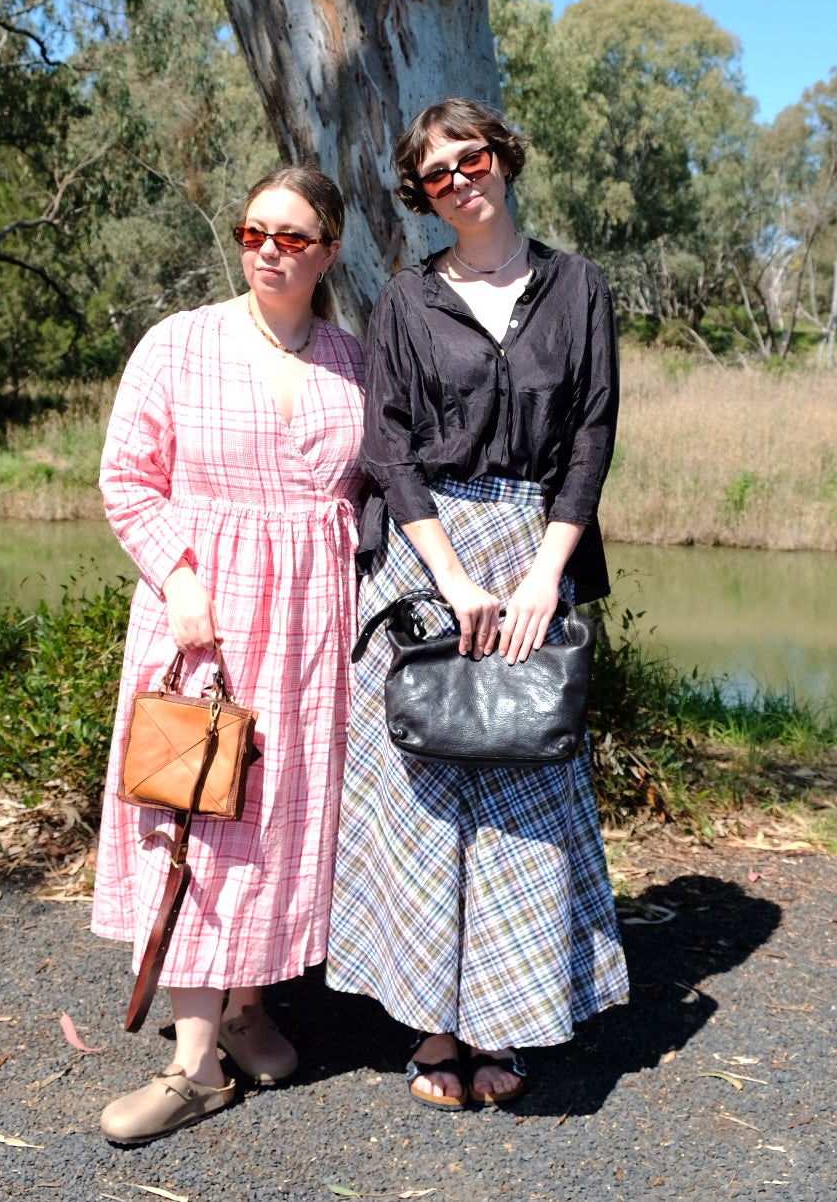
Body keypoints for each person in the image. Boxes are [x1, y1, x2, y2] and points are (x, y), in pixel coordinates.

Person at [327, 98, 629, 1110]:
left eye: (476, 157)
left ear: (507, 156)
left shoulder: (577, 286)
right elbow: (391, 444)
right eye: (440, 173)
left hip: (537, 547)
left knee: (521, 795)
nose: (463, 179)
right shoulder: (405, 301)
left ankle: (507, 1016)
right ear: (421, 195)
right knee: (422, 798)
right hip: (427, 558)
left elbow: (591, 433)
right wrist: (451, 578)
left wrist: (545, 572)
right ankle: (433, 1024)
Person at [92, 167, 365, 1143]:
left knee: (276, 819)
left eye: (293, 236)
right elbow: (126, 480)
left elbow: (377, 495)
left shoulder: (352, 360)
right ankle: (191, 1060)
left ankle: (248, 1005)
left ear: (328, 250)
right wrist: (177, 574)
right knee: (194, 820)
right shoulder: (179, 344)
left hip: (312, 631)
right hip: (199, 620)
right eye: (255, 231)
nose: (269, 250)